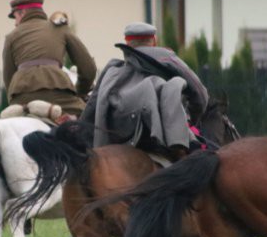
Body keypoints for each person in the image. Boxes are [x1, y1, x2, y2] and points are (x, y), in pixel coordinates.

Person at [81, 21, 208, 158]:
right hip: (156, 137)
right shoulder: (168, 58)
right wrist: (189, 121)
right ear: (154, 41)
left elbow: (92, 107)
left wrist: (79, 135)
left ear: (127, 43)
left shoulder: (111, 72)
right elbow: (200, 94)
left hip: (114, 137)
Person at [2, 0, 96, 117]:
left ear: (22, 13)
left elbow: (8, 77)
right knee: (90, 119)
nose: (15, 24)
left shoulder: (11, 37)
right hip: (57, 94)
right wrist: (80, 92)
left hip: (22, 98)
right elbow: (88, 69)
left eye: (15, 18)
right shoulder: (59, 29)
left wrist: (15, 100)